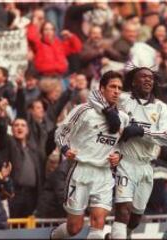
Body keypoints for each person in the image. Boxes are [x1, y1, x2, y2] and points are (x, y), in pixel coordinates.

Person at [88, 67, 167, 239]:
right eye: (143, 77)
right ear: (134, 82)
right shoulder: (124, 99)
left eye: (150, 78)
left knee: (135, 219)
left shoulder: (161, 109)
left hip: (146, 166)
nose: (148, 80)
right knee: (123, 210)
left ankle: (116, 236)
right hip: (125, 161)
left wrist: (141, 132)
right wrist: (108, 112)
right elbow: (94, 95)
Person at [51, 71, 129, 239]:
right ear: (102, 88)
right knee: (74, 228)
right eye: (112, 87)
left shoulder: (123, 117)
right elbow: (60, 133)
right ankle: (54, 236)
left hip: (104, 173)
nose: (116, 91)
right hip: (81, 170)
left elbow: (123, 145)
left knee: (98, 223)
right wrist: (65, 150)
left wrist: (119, 155)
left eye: (120, 88)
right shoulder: (83, 110)